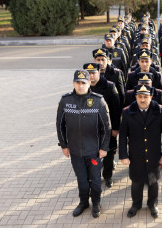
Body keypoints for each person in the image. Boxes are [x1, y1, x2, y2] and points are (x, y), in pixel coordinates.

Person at [56, 69, 111, 218]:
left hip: (93, 151)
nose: (80, 86)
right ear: (73, 83)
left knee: (95, 181)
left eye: (83, 83)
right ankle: (84, 202)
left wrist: (104, 148)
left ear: (89, 84)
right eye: (78, 82)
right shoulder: (65, 101)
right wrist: (64, 145)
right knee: (82, 181)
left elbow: (106, 128)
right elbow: (60, 125)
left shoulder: (98, 101)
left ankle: (96, 203)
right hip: (75, 151)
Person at [119, 84, 162, 218]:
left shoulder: (159, 111)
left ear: (151, 97)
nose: (142, 100)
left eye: (145, 97)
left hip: (154, 155)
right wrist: (123, 155)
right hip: (136, 155)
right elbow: (123, 135)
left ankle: (152, 204)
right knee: (136, 182)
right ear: (135, 97)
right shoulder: (127, 112)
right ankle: (136, 204)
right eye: (140, 97)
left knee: (153, 182)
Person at [83, 63, 121, 188]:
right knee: (92, 154)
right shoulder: (83, 87)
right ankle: (95, 176)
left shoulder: (109, 86)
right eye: (88, 74)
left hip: (107, 128)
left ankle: (108, 176)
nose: (91, 76)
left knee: (109, 154)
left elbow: (116, 108)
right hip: (90, 129)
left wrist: (115, 128)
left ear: (99, 72)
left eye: (93, 73)